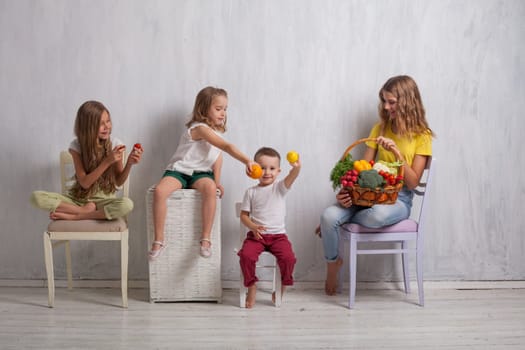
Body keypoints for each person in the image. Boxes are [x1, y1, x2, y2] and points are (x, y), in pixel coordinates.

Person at [319, 75, 434, 295]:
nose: (385, 106)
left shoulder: (422, 136)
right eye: (384, 101)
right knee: (328, 216)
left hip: (398, 199)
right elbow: (363, 168)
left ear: (408, 102)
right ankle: (333, 263)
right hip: (367, 196)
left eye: (391, 102)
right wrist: (349, 193)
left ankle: (339, 223)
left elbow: (412, 181)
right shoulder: (379, 129)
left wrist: (396, 152)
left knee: (376, 216)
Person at [150, 86, 257, 260]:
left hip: (201, 174)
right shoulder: (199, 128)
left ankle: (206, 238)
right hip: (180, 170)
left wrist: (217, 181)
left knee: (210, 189)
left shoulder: (216, 133)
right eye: (218, 109)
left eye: (225, 109)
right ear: (204, 109)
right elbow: (226, 147)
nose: (223, 113)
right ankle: (159, 239)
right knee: (160, 191)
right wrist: (247, 161)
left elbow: (218, 157)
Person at [31, 100, 143, 220]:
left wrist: (129, 163)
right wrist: (107, 161)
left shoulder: (115, 144)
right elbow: (84, 183)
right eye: (101, 124)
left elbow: (118, 182)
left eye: (108, 121)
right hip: (78, 200)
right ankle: (81, 210)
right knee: (36, 197)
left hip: (104, 201)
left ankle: (78, 216)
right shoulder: (76, 146)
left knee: (127, 205)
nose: (107, 127)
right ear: (88, 127)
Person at [237, 147, 301, 308]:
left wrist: (296, 167)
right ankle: (251, 285)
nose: (267, 172)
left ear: (278, 171)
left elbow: (292, 176)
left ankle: (282, 287)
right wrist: (252, 226)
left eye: (272, 168)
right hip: (256, 236)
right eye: (262, 167)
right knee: (246, 256)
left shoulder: (279, 188)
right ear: (254, 169)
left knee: (289, 259)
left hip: (278, 237)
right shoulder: (250, 192)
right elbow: (244, 215)